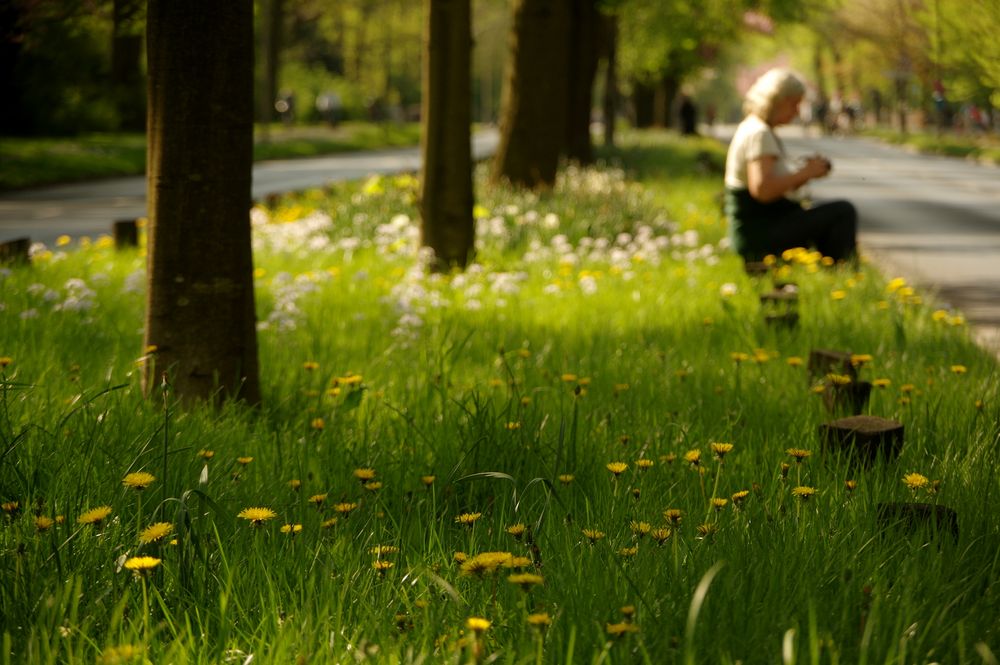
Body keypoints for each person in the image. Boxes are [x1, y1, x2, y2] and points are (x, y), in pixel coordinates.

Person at [723, 68, 857, 264]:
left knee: (828, 215)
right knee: (843, 212)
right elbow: (763, 190)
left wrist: (804, 175)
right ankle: (840, 275)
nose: (796, 111)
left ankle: (832, 275)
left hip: (758, 228)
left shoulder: (754, 127)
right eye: (794, 104)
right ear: (776, 101)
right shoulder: (760, 133)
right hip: (758, 235)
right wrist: (805, 174)